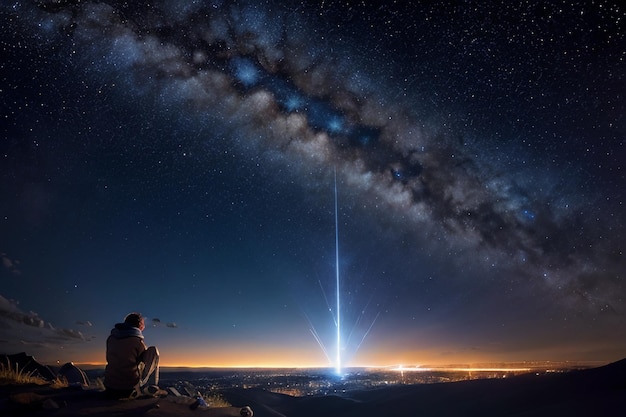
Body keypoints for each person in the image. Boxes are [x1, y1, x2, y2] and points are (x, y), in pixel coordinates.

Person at [104, 312, 161, 399]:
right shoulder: (137, 342)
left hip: (109, 384)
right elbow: (142, 360)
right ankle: (151, 387)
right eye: (143, 324)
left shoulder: (111, 338)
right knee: (153, 351)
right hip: (127, 388)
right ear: (140, 325)